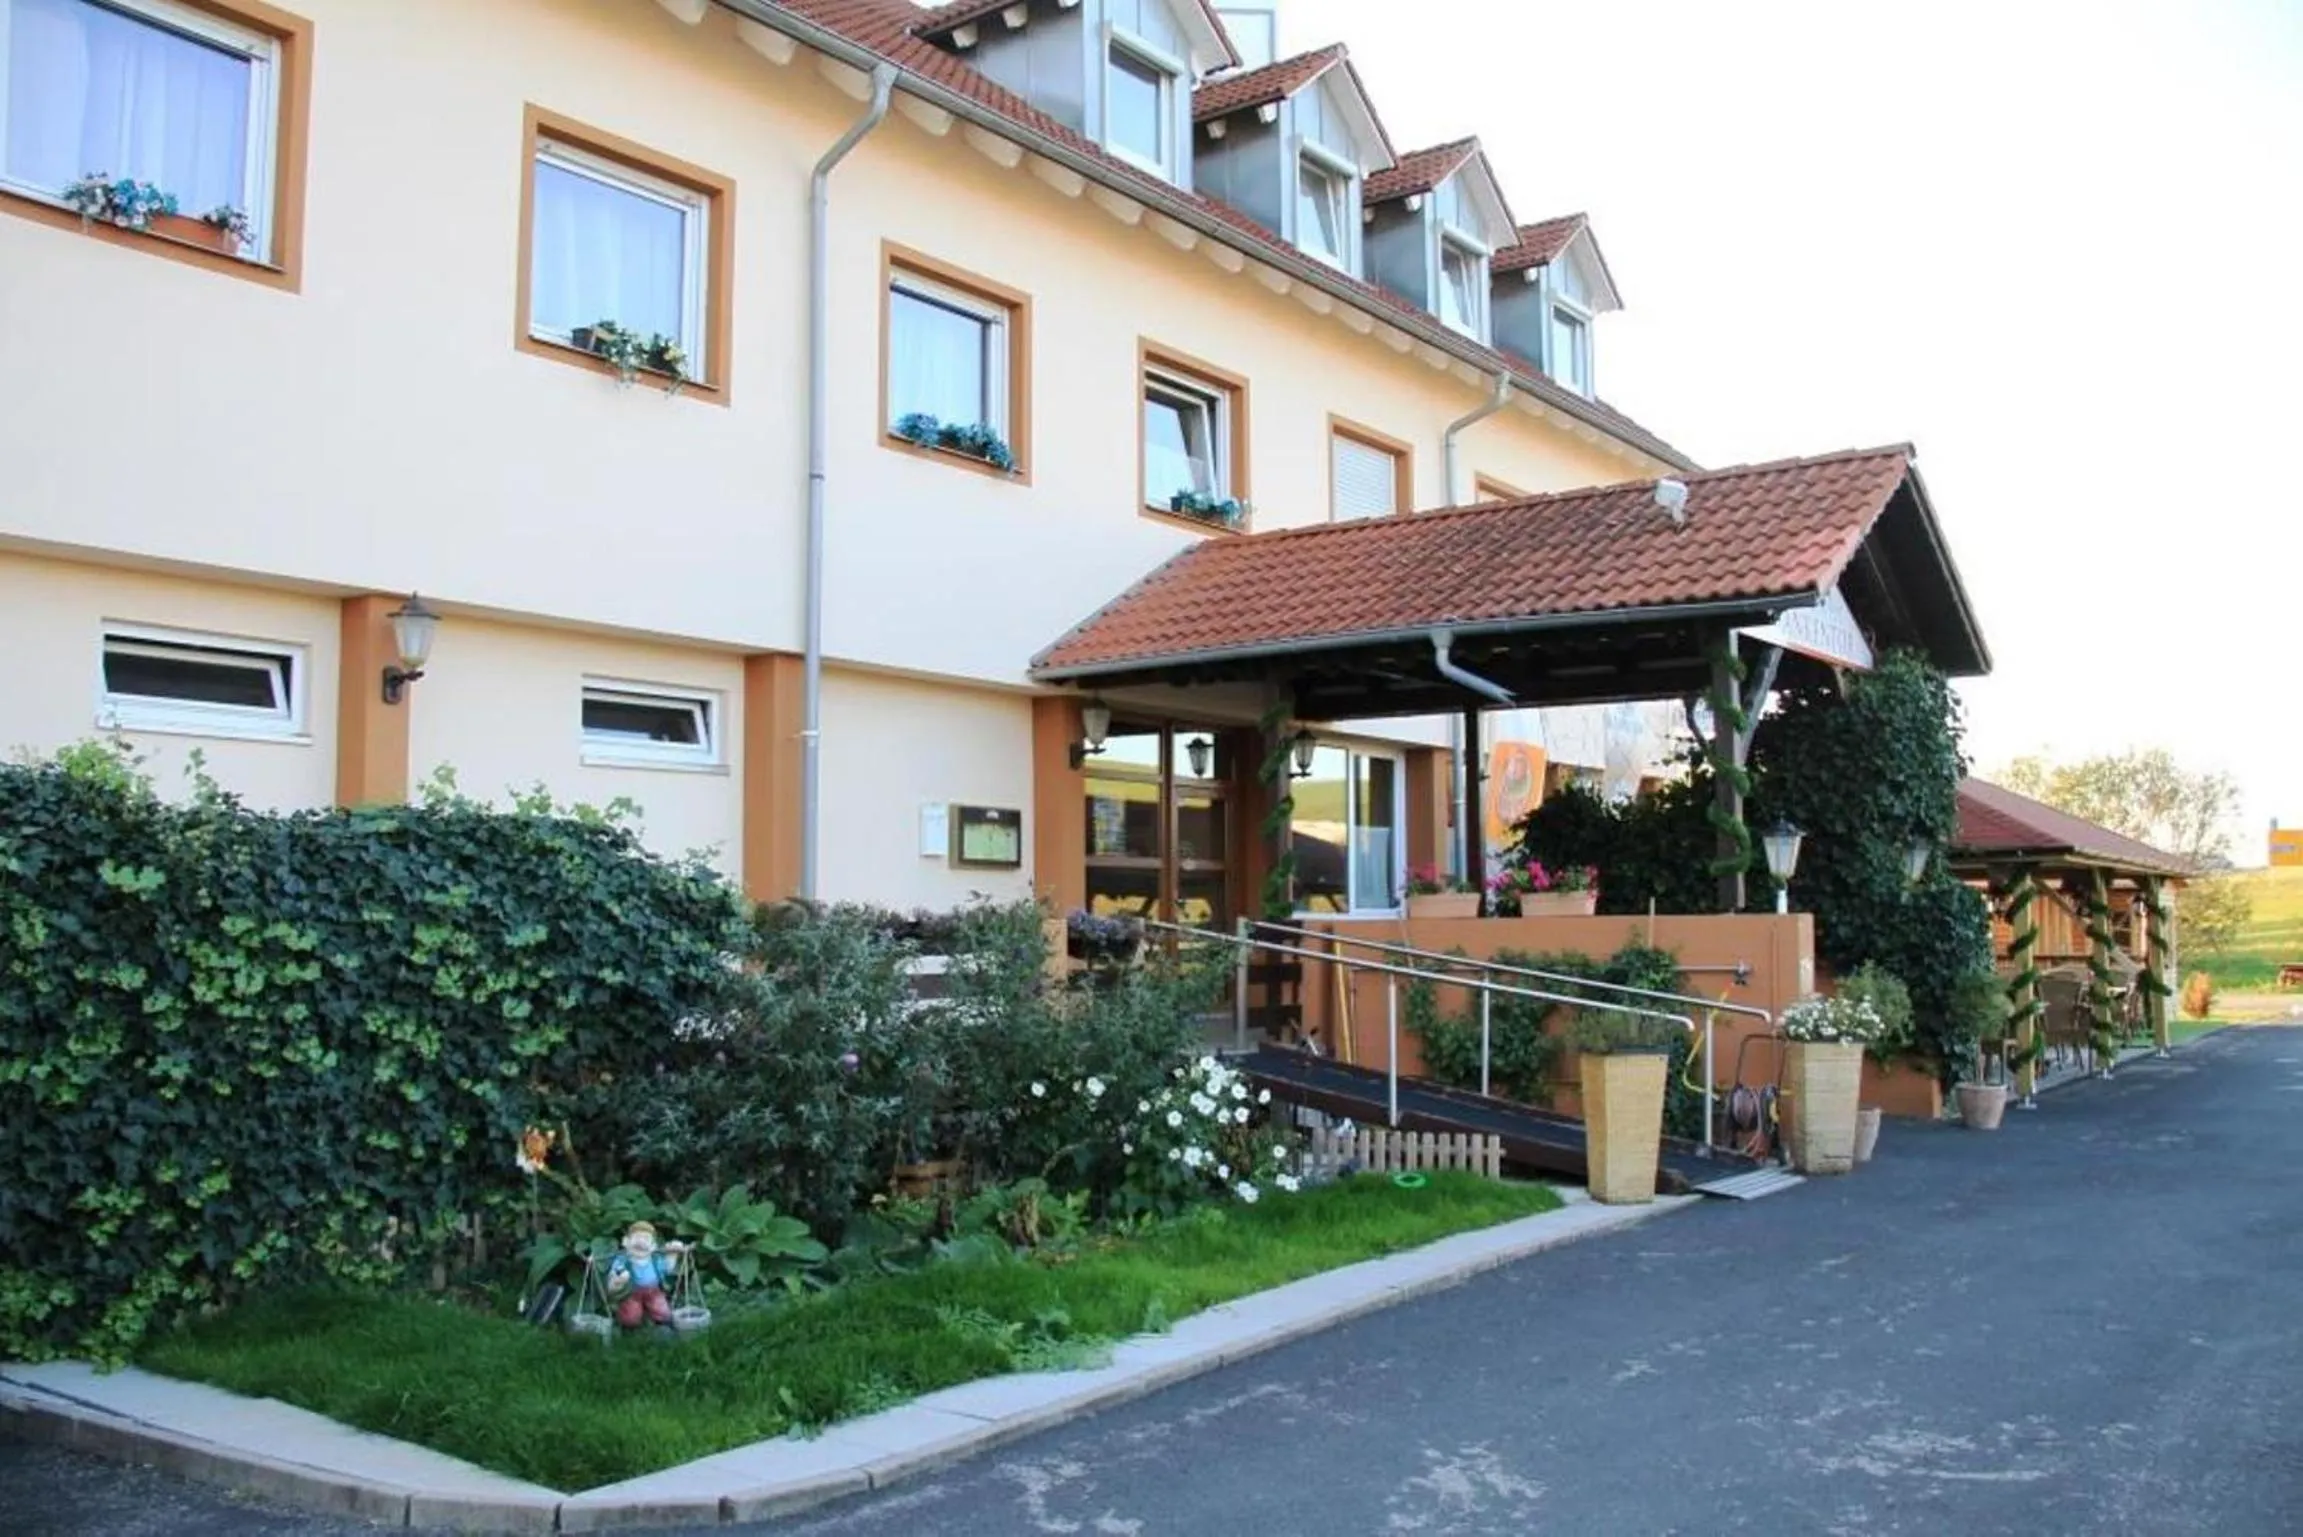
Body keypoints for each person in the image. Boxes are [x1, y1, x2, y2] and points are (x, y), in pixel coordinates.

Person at [604, 1221, 686, 1331]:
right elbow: (615, 1273)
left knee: (662, 1311)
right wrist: (617, 1281)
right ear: (626, 1241)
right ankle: (629, 1327)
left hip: (653, 1291)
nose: (641, 1242)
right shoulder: (623, 1260)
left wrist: (673, 1255)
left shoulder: (655, 1260)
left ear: (653, 1246)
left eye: (646, 1239)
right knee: (630, 1316)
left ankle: (662, 1324)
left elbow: (667, 1268)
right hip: (632, 1293)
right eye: (637, 1238)